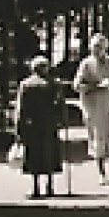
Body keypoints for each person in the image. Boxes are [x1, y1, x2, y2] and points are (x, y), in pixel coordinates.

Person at [76, 34, 109, 183]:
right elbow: (77, 85)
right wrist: (96, 86)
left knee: (108, 138)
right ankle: (101, 173)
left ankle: (103, 168)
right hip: (93, 106)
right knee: (98, 139)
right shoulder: (86, 64)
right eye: (94, 47)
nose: (97, 51)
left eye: (100, 47)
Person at [16, 56, 64, 199]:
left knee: (34, 154)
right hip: (49, 123)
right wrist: (60, 120)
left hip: (33, 124)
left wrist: (19, 126)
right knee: (49, 152)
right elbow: (59, 104)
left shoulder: (26, 85)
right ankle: (50, 186)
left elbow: (21, 108)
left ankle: (36, 187)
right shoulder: (54, 84)